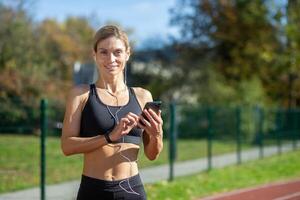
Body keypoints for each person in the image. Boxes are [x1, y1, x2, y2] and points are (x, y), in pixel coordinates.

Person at [61, 25, 163, 200]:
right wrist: (109, 136)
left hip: (132, 190)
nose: (111, 59)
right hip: (93, 191)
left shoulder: (142, 96)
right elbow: (67, 146)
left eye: (117, 52)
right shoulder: (81, 94)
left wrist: (157, 135)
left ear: (127, 54)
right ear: (95, 55)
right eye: (103, 52)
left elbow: (152, 154)